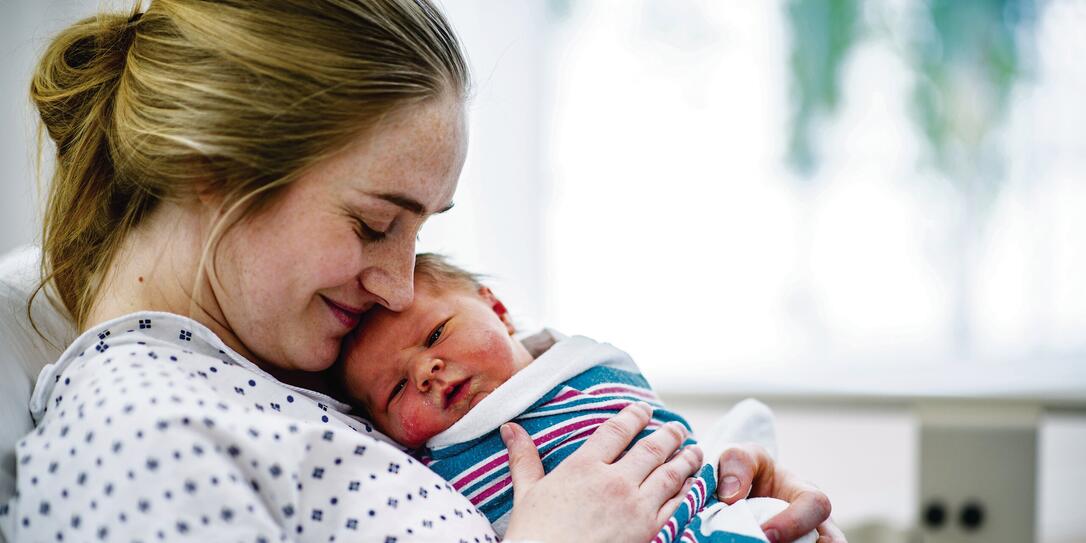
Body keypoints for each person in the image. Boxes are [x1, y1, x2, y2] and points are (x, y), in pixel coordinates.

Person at [0, 1, 843, 542]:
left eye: (419, 235)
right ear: (206, 168)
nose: (399, 289)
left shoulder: (295, 370)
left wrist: (709, 494)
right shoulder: (146, 435)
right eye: (373, 224)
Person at [338, 253, 819, 543]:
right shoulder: (421, 476)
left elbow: (657, 426)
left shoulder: (576, 368)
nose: (425, 371)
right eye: (396, 388)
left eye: (437, 333)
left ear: (499, 309)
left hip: (701, 501)